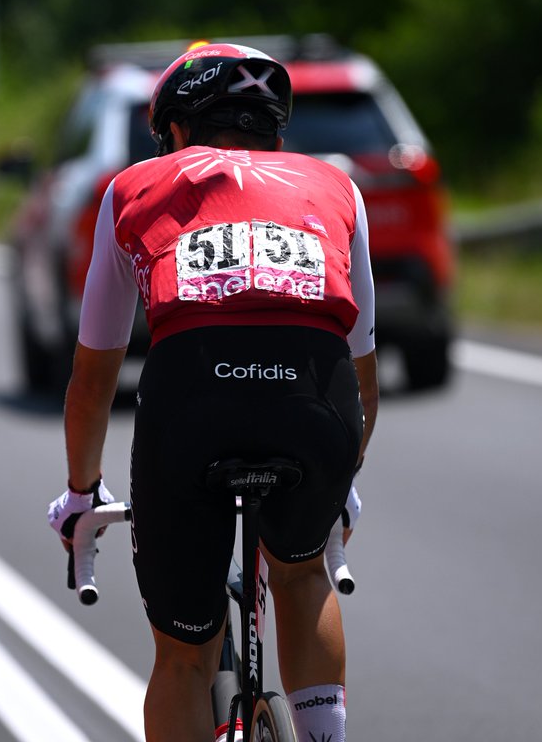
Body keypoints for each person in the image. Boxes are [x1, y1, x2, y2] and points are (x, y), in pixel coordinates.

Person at [47, 42, 379, 742]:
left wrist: (83, 492)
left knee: (184, 654)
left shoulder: (134, 186)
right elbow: (364, 371)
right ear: (275, 130)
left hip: (190, 404)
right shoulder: (337, 186)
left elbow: (92, 377)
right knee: (302, 572)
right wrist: (341, 477)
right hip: (319, 403)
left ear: (173, 131)